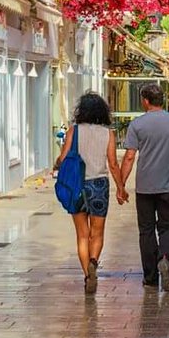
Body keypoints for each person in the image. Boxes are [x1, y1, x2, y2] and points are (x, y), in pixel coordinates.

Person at [118, 83, 169, 291]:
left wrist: (121, 184)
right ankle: (166, 260)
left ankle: (150, 277)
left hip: (144, 186)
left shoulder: (137, 125)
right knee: (167, 226)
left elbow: (129, 157)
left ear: (145, 101)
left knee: (146, 230)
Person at [53, 91, 126, 294]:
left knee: (82, 235)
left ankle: (87, 274)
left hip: (76, 185)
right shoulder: (108, 133)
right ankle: (94, 262)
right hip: (99, 186)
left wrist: (59, 162)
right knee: (98, 233)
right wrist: (121, 188)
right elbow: (112, 163)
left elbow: (63, 158)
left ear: (81, 111)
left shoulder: (73, 131)